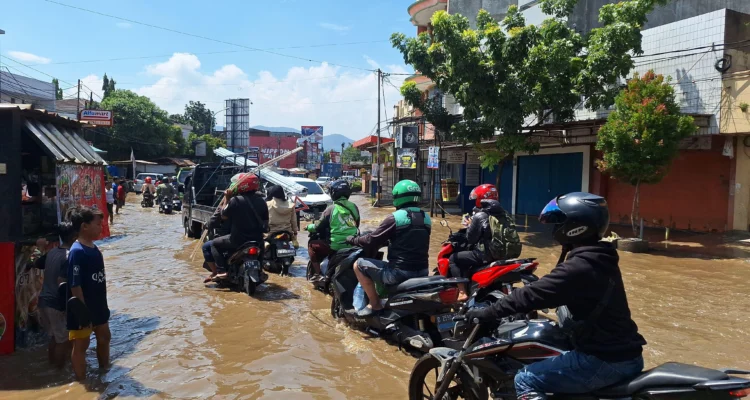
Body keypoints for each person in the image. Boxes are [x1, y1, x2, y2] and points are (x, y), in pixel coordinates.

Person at [465, 192, 646, 400]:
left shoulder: (580, 266)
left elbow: (535, 294)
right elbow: (548, 289)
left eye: (559, 223)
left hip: (604, 360)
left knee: (524, 379)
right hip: (622, 353)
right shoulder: (599, 256)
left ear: (575, 226)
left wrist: (487, 312)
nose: (555, 228)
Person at [348, 180, 430, 317]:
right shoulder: (426, 217)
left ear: (398, 196)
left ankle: (374, 304)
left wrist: (353, 240)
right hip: (423, 271)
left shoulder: (395, 218)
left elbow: (370, 240)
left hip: (399, 273)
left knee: (358, 264)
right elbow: (411, 239)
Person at [449, 184, 521, 301]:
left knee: (453, 258)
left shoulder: (480, 215)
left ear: (480, 198)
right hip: (506, 254)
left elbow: (471, 239)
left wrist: (470, 225)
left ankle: (462, 292)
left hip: (486, 255)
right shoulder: (505, 214)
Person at [67, 207, 111, 381]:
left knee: (105, 337)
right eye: (98, 224)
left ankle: (104, 372)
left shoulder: (94, 248)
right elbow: (75, 284)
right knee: (81, 345)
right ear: (84, 226)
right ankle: (81, 381)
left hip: (99, 305)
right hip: (83, 308)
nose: (101, 227)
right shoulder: (77, 251)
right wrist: (82, 312)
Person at [207, 174, 269, 280]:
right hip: (257, 240)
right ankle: (260, 270)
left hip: (238, 240)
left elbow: (223, 216)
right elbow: (266, 221)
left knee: (214, 244)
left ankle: (222, 271)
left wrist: (226, 198)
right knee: (261, 248)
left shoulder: (235, 200)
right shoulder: (262, 201)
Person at [38, 222, 76, 368]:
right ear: (74, 236)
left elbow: (37, 263)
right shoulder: (69, 256)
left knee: (54, 337)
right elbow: (63, 282)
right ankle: (59, 372)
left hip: (43, 302)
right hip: (56, 304)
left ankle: (52, 366)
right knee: (63, 341)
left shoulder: (52, 252)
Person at [306, 180, 360, 280]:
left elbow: (318, 226)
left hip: (335, 246)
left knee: (312, 245)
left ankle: (318, 274)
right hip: (353, 244)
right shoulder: (354, 207)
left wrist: (309, 227)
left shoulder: (330, 209)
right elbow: (356, 224)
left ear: (333, 193)